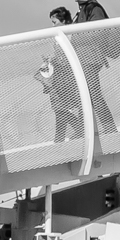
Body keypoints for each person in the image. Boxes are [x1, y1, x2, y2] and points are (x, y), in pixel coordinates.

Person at [70, 0, 119, 134]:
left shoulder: (94, 8)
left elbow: (98, 31)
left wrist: (77, 37)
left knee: (94, 96)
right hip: (85, 58)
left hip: (90, 58)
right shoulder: (84, 9)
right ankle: (85, 132)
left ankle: (109, 130)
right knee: (85, 97)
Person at [37, 8, 81, 142]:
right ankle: (60, 139)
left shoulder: (68, 36)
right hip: (62, 77)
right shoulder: (61, 36)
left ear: (64, 21)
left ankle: (79, 130)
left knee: (60, 108)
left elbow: (68, 59)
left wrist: (52, 60)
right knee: (59, 109)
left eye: (54, 22)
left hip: (65, 79)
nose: (52, 25)